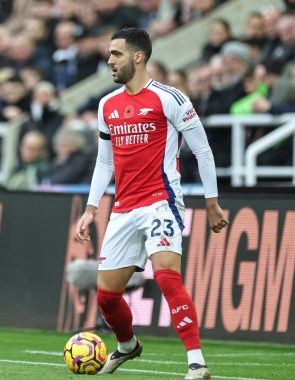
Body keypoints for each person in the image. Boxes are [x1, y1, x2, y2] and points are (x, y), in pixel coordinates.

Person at [75, 27, 229, 380]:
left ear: (138, 57)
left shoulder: (170, 98)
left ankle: (196, 362)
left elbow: (202, 150)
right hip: (123, 209)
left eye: (116, 54)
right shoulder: (106, 105)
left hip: (162, 202)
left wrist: (211, 202)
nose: (110, 60)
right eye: (110, 54)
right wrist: (90, 208)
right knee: (107, 298)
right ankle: (128, 346)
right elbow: (105, 162)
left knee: (166, 276)